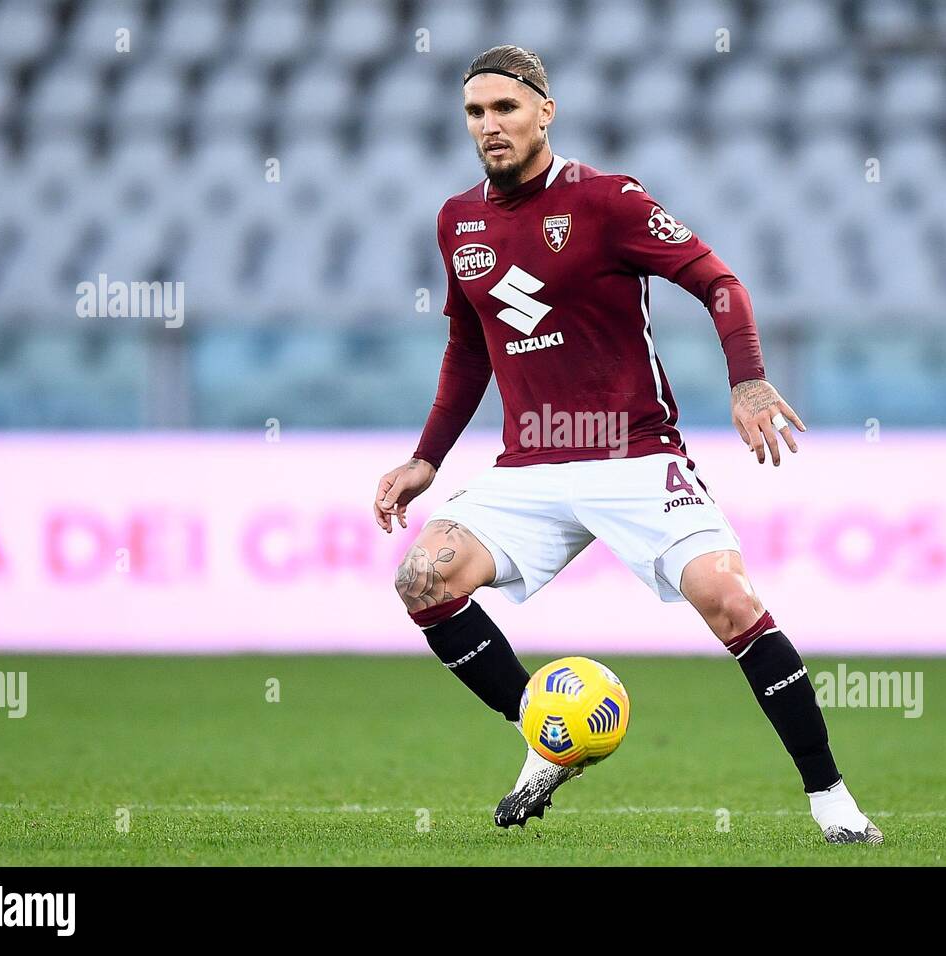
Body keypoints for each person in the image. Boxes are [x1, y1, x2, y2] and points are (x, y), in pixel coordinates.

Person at [373, 45, 881, 843]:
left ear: (545, 110)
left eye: (505, 108)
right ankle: (545, 739)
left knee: (730, 599)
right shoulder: (457, 220)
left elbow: (720, 283)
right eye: (475, 112)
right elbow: (469, 349)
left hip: (634, 454)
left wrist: (747, 380)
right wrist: (426, 458)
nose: (489, 126)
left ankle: (831, 799)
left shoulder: (609, 200)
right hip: (531, 462)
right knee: (421, 582)